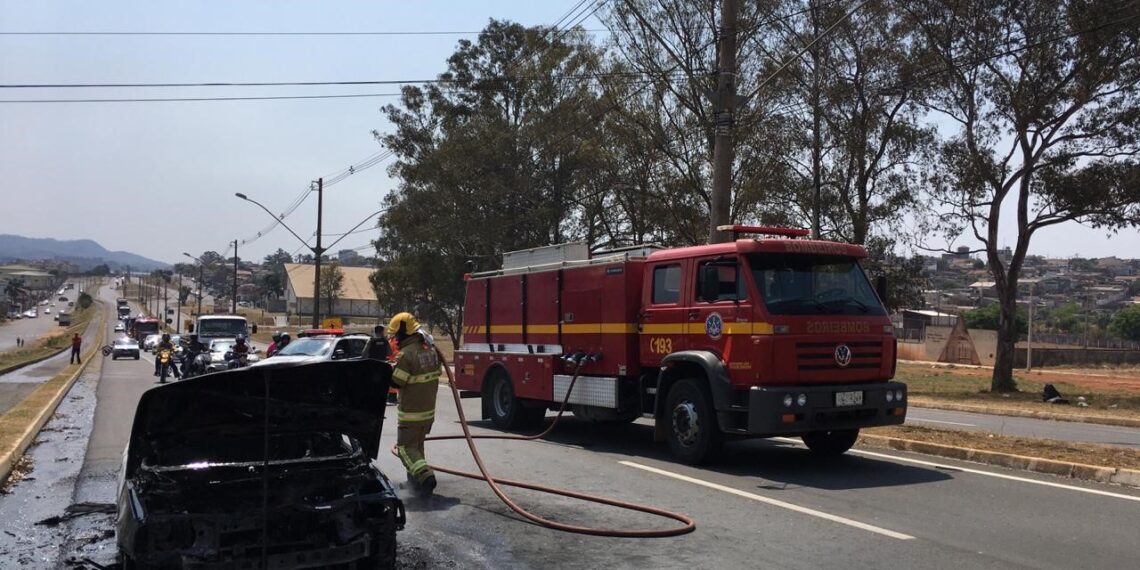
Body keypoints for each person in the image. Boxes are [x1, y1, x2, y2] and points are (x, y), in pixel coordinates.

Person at [388, 312, 442, 496]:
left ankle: (426, 477)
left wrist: (388, 371)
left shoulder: (406, 355)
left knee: (404, 448)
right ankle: (415, 484)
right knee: (417, 447)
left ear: (404, 332)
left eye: (396, 334)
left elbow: (397, 382)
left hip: (411, 413)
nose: (395, 338)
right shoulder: (431, 350)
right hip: (427, 413)